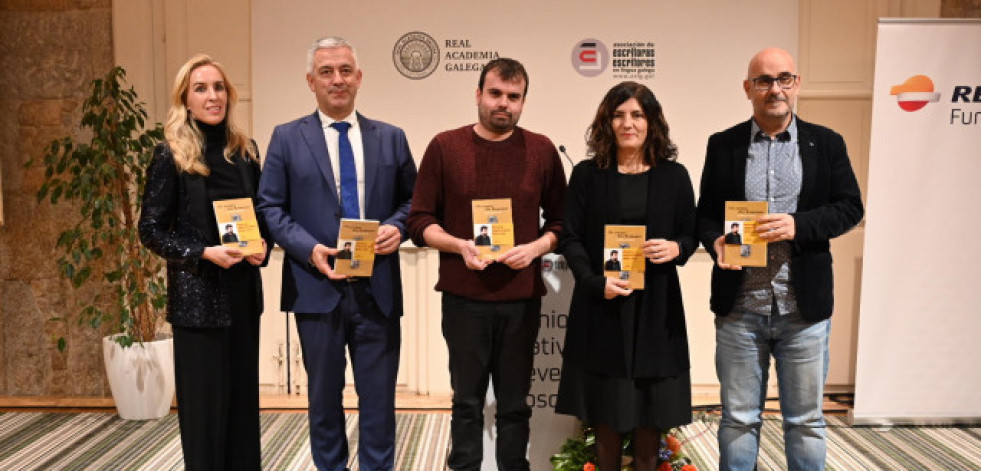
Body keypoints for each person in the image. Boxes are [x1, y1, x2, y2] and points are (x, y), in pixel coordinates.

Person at [695, 47, 864, 471]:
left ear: (797, 84)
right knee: (738, 420)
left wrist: (797, 225)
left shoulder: (826, 144)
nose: (775, 89)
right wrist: (715, 240)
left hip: (802, 310)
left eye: (784, 79)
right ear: (748, 88)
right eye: (765, 81)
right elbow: (705, 214)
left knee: (805, 421)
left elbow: (850, 208)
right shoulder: (723, 145)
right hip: (740, 309)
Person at [256, 37, 416, 471]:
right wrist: (310, 250)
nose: (337, 79)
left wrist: (396, 227)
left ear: (359, 78)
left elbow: (413, 201)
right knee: (323, 399)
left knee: (379, 400)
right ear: (311, 81)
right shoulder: (287, 139)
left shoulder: (392, 138)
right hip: (316, 288)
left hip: (377, 287)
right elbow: (269, 206)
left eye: (345, 70)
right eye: (326, 72)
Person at [406, 58, 566, 471]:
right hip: (463, 300)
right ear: (478, 94)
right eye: (495, 93)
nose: (504, 104)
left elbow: (565, 223)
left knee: (515, 404)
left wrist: (535, 248)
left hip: (521, 300)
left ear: (523, 102)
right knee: (466, 402)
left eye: (513, 97)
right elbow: (419, 221)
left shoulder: (542, 150)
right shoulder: (445, 147)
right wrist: (459, 245)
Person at [555, 81, 696, 471]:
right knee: (607, 420)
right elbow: (571, 238)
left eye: (636, 114)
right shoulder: (587, 175)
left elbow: (690, 232)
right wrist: (594, 281)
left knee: (651, 422)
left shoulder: (674, 176)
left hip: (656, 311)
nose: (627, 123)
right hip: (603, 307)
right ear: (607, 122)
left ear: (652, 122)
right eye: (618, 115)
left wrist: (676, 249)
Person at [138, 54, 269, 470]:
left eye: (218, 88)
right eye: (201, 89)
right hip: (199, 302)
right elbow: (151, 230)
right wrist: (202, 252)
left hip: (243, 298)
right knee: (205, 415)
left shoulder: (245, 152)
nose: (212, 96)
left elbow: (260, 216)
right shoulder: (170, 155)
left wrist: (262, 243)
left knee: (243, 411)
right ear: (185, 100)